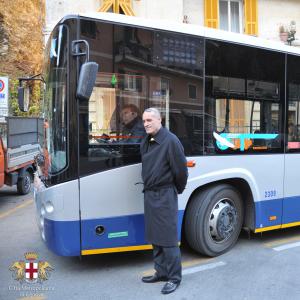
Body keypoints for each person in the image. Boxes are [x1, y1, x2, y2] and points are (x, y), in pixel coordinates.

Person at [140, 107, 188, 295]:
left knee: (168, 240)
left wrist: (176, 190)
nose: (146, 124)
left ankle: (174, 278)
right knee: (155, 237)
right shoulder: (146, 141)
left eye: (150, 120)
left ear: (160, 120)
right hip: (150, 195)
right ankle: (161, 272)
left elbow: (181, 171)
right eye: (144, 121)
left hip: (165, 194)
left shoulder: (171, 141)